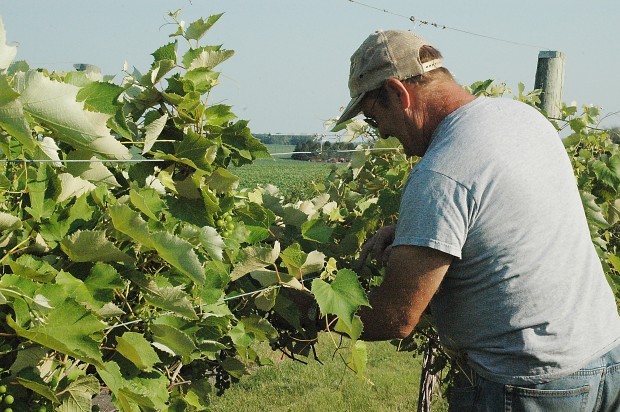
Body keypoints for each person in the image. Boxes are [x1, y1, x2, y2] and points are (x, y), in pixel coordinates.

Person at [333, 29, 620, 411]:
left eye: (374, 118)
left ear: (398, 93)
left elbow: (396, 318)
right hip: (603, 358)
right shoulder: (521, 118)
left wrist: (309, 311)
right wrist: (413, 233)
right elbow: (504, 216)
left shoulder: (441, 173)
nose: (381, 131)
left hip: (530, 386)